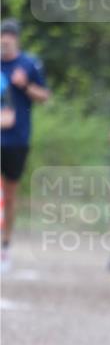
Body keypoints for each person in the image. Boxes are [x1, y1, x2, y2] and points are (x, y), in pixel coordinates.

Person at [1, 19, 50, 273]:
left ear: (17, 39)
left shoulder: (29, 64)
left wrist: (25, 85)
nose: (5, 39)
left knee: (9, 195)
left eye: (10, 35)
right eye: (2, 35)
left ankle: (5, 246)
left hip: (16, 139)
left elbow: (45, 96)